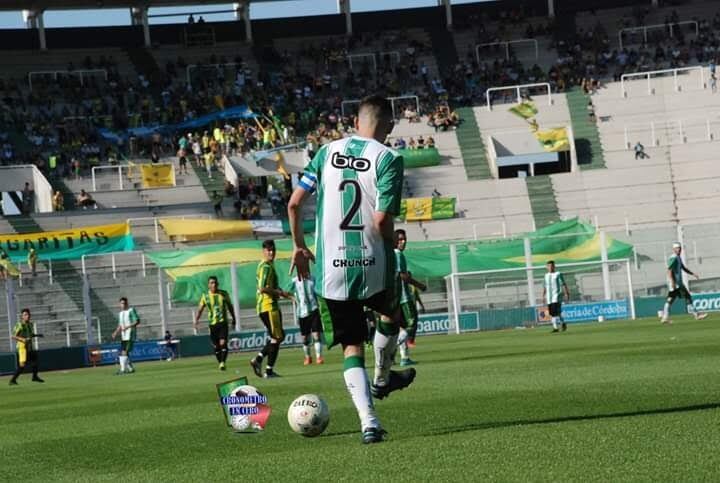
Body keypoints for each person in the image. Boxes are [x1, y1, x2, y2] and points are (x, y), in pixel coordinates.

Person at [287, 95, 416, 444]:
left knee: (351, 346)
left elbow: (294, 203)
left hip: (331, 269)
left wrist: (299, 246)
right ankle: (382, 377)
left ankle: (369, 422)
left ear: (356, 122)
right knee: (392, 316)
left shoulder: (326, 152)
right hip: (373, 262)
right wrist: (387, 242)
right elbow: (381, 219)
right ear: (387, 126)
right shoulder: (388, 158)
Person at [250, 240, 292, 378]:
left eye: (273, 250)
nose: (271, 252)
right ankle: (266, 368)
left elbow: (269, 286)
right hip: (268, 306)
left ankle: (260, 362)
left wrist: (282, 292)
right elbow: (263, 288)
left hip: (268, 305)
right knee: (277, 337)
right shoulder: (265, 267)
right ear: (263, 251)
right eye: (268, 250)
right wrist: (279, 293)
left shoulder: (268, 265)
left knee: (278, 337)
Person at [393, 229, 427, 365]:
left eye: (404, 239)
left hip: (395, 297)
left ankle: (404, 358)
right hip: (403, 296)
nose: (403, 242)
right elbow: (403, 276)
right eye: (400, 239)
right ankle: (391, 347)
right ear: (395, 241)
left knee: (402, 327)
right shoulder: (398, 254)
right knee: (411, 324)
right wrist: (420, 285)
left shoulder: (391, 255)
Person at [194, 276, 236, 371]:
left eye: (215, 283)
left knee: (223, 343)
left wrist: (234, 318)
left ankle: (222, 362)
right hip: (212, 324)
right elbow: (200, 309)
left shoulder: (224, 294)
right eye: (212, 283)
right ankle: (220, 362)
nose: (214, 285)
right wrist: (196, 320)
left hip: (223, 323)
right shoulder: (205, 296)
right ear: (208, 285)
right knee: (216, 345)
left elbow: (230, 306)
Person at [660, 243, 708, 324]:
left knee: (671, 299)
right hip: (676, 283)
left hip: (678, 283)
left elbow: (683, 268)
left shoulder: (678, 257)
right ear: (674, 249)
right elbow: (669, 270)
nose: (679, 249)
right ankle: (696, 315)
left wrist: (693, 274)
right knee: (686, 297)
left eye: (680, 248)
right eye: (677, 248)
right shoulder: (673, 257)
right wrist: (672, 282)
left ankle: (665, 317)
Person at [290, 273, 324, 365]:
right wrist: (293, 298)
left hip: (314, 309)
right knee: (305, 338)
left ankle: (319, 357)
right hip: (302, 312)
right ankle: (308, 357)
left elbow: (319, 292)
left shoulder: (313, 278)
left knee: (316, 334)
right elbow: (284, 291)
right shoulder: (294, 280)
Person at [9, 308, 44, 385]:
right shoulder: (20, 325)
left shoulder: (30, 325)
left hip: (30, 346)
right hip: (22, 347)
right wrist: (23, 339)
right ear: (22, 316)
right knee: (22, 365)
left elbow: (30, 335)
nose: (27, 316)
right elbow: (13, 336)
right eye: (25, 315)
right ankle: (13, 380)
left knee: (35, 361)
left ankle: (34, 377)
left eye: (28, 314)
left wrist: (37, 335)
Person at [111, 297, 140, 374]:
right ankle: (130, 368)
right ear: (119, 304)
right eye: (121, 303)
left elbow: (137, 321)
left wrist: (127, 327)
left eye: (124, 303)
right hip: (124, 335)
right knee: (125, 352)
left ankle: (122, 370)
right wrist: (115, 332)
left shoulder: (131, 310)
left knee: (124, 352)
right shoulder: (120, 314)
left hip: (130, 334)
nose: (123, 305)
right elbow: (120, 325)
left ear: (127, 303)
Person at [542, 260, 570, 333]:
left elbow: (563, 284)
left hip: (556, 296)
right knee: (553, 313)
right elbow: (545, 286)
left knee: (554, 312)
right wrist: (543, 296)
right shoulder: (546, 276)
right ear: (546, 267)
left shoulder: (558, 274)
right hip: (549, 297)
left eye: (551, 266)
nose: (550, 267)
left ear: (554, 266)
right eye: (548, 266)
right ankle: (563, 323)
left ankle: (555, 328)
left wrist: (566, 293)